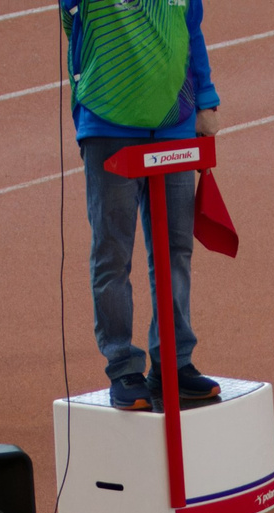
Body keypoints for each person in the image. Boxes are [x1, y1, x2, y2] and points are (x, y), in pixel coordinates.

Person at [62, 0, 220, 412]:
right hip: (108, 122)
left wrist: (206, 96)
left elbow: (191, 29)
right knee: (113, 252)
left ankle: (174, 361)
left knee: (176, 249)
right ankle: (122, 366)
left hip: (175, 121)